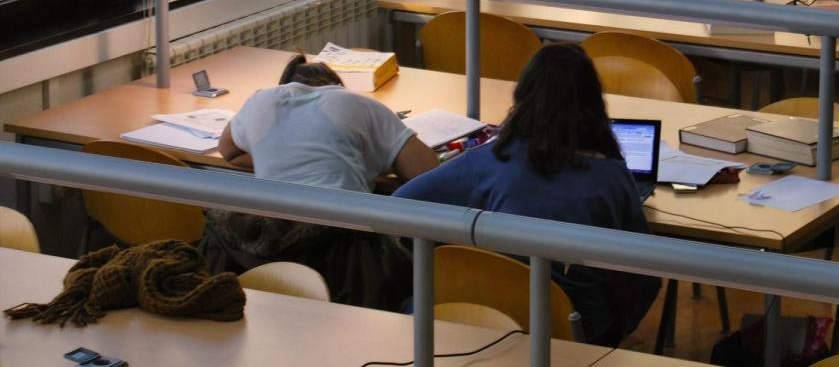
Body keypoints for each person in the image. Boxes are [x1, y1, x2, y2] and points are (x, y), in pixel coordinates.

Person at [394, 43, 660, 346]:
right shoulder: (611, 176)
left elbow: (401, 203)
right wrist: (621, 326)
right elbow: (643, 269)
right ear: (593, 103)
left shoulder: (487, 159)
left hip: (494, 315)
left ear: (522, 96)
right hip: (576, 328)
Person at [200, 54, 437, 310]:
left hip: (265, 251)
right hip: (340, 252)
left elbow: (229, 152)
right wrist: (368, 164)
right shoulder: (358, 104)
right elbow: (427, 173)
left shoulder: (260, 100)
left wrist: (282, 154)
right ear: (336, 85)